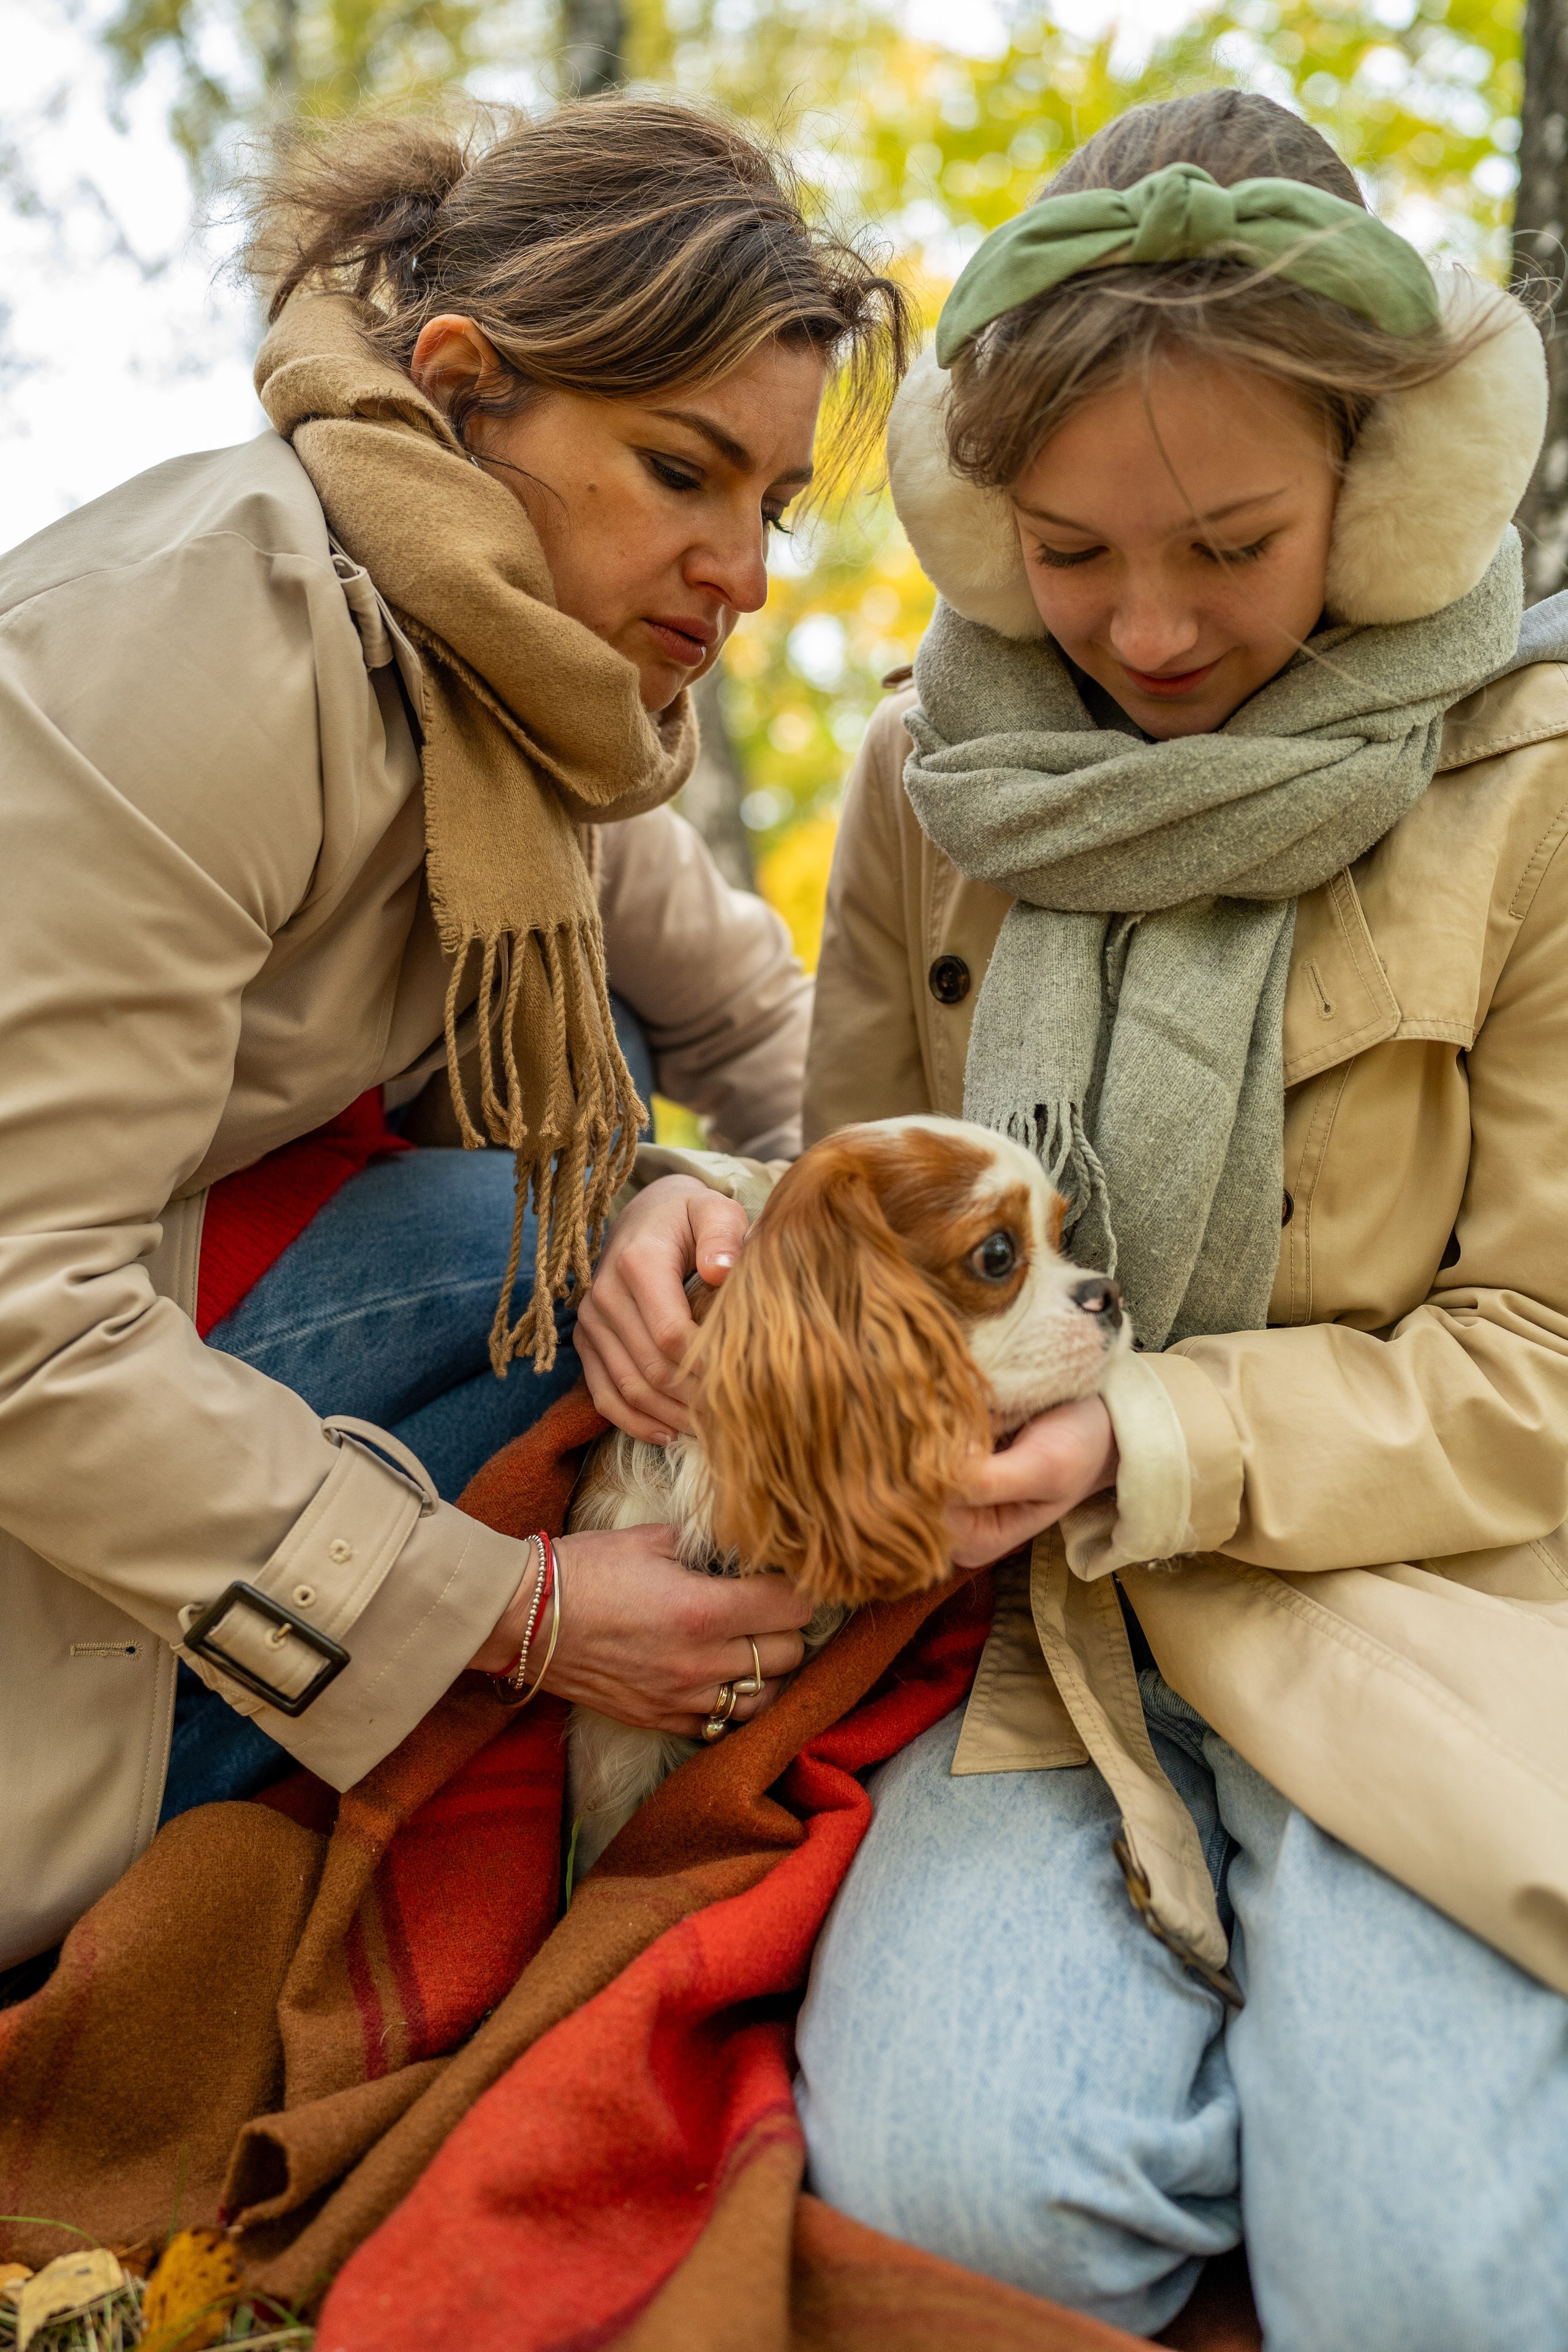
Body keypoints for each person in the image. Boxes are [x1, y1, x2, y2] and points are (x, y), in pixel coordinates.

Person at [794, 89, 1568, 2352]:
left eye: (1230, 544)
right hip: (1051, 1639)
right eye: (1068, 548)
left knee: (1425, 2289)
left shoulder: (1536, 795)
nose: (1144, 628)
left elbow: (1549, 1359)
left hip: (1427, 1614)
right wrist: (697, 1227)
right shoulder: (921, 785)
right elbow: (856, 1215)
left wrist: (1161, 1439)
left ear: (1388, 486)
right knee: (962, 2232)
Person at [0, 97, 911, 1981]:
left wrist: (992, 1256)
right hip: (62, 1390)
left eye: (774, 504)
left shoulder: (530, 694)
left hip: (203, 1326)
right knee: (574, 1236)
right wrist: (520, 1612)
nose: (742, 573)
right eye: (683, 473)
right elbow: (17, 1309)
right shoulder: (204, 642)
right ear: (465, 386)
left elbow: (766, 1031)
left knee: (659, 1216)